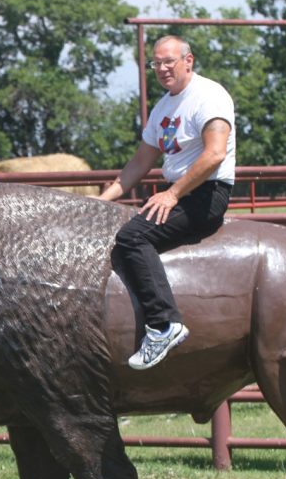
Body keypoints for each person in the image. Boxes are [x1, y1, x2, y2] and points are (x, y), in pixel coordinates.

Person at [98, 35, 236, 370]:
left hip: (206, 193)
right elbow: (139, 163)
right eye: (156, 63)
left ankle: (163, 325)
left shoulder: (209, 95)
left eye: (168, 61)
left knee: (133, 237)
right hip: (181, 191)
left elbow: (215, 154)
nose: (161, 68)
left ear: (189, 60)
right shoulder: (163, 107)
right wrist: (100, 201)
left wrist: (173, 194)